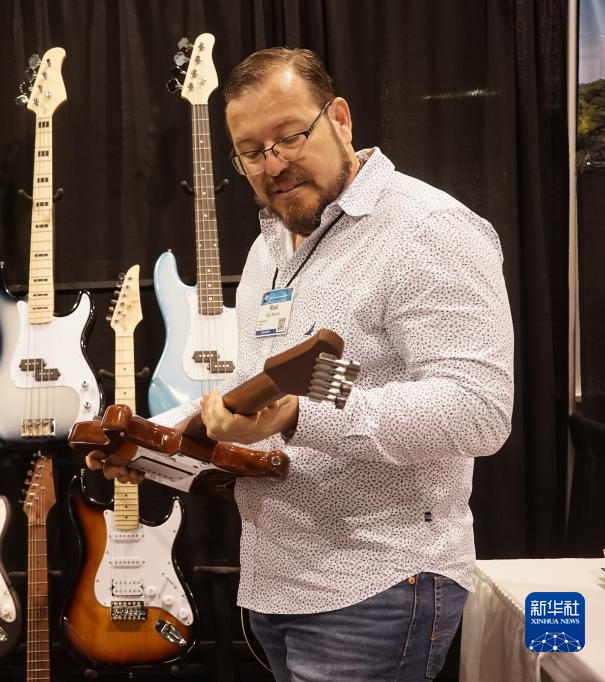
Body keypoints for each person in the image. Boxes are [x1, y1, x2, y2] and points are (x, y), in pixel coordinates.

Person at [88, 47, 514, 681]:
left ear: (339, 118)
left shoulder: (428, 228)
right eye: (251, 152)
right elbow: (255, 391)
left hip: (378, 585)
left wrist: (297, 415)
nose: (274, 164)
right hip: (277, 585)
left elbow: (478, 410)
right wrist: (153, 445)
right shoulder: (269, 248)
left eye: (289, 137)